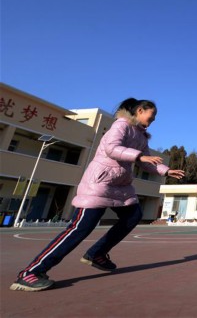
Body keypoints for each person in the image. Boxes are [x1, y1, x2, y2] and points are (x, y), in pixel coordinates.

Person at [10, 98, 185, 292]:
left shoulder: (141, 136)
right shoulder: (121, 126)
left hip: (120, 186)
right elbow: (112, 148)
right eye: (151, 116)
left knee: (133, 215)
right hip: (99, 183)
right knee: (81, 228)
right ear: (140, 110)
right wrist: (138, 156)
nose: (153, 120)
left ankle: (96, 253)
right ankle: (31, 272)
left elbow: (145, 162)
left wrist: (165, 170)